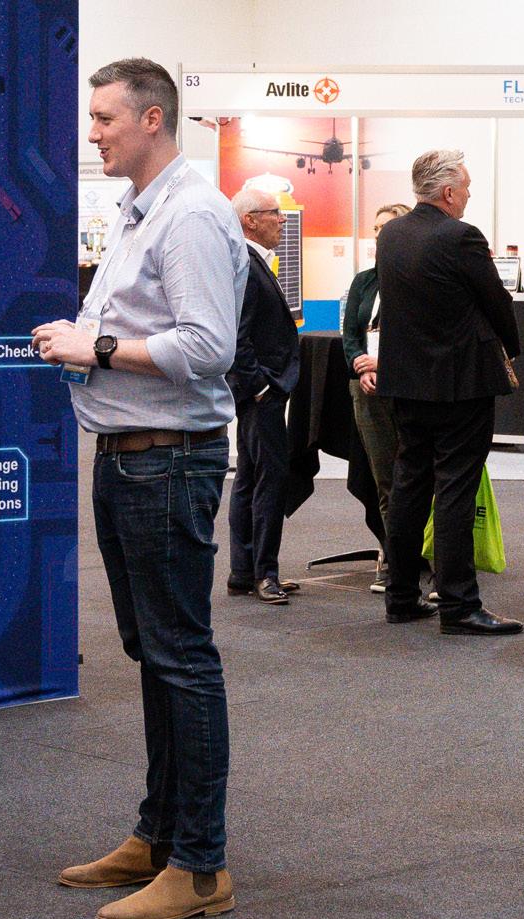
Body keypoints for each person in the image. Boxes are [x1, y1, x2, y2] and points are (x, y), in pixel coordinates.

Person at [32, 57, 247, 919]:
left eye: (104, 119)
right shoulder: (139, 209)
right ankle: (159, 834)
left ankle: (199, 866)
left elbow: (206, 347)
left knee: (180, 658)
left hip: (166, 460)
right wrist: (85, 332)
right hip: (129, 457)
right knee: (156, 653)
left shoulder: (189, 213)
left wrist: (94, 348)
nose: (91, 133)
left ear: (152, 119)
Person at [375, 149, 523, 634]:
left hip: (407, 384)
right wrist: (512, 348)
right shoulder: (462, 237)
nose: (470, 194)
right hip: (461, 383)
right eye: (467, 186)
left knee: (409, 486)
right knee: (456, 489)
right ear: (448, 192)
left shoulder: (391, 234)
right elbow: (496, 300)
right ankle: (459, 606)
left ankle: (401, 597)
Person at [226, 186, 302, 605]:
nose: (282, 220)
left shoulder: (252, 261)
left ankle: (244, 571)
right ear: (250, 220)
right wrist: (259, 386)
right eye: (275, 212)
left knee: (250, 477)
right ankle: (264, 574)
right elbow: (238, 336)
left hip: (261, 389)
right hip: (261, 391)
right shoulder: (246, 263)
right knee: (269, 480)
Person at [342, 202, 411, 594]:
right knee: (385, 478)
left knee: (417, 478)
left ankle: (432, 558)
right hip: (367, 390)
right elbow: (350, 334)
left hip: (408, 388)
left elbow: (423, 338)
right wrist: (362, 367)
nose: (380, 235)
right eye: (376, 228)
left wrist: (385, 365)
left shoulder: (418, 280)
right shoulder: (364, 282)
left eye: (389, 227)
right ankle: (394, 559)